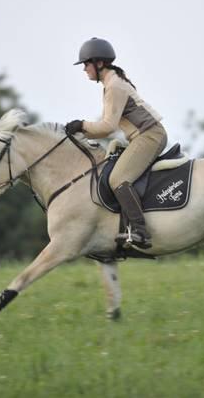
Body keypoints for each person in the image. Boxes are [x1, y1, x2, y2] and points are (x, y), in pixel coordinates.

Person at [65, 37, 168, 249]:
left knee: (117, 179)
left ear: (99, 63)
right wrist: (81, 132)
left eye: (86, 64)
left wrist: (81, 125)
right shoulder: (112, 83)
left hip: (149, 136)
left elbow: (108, 127)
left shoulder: (114, 87)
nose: (84, 69)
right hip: (142, 136)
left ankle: (140, 230)